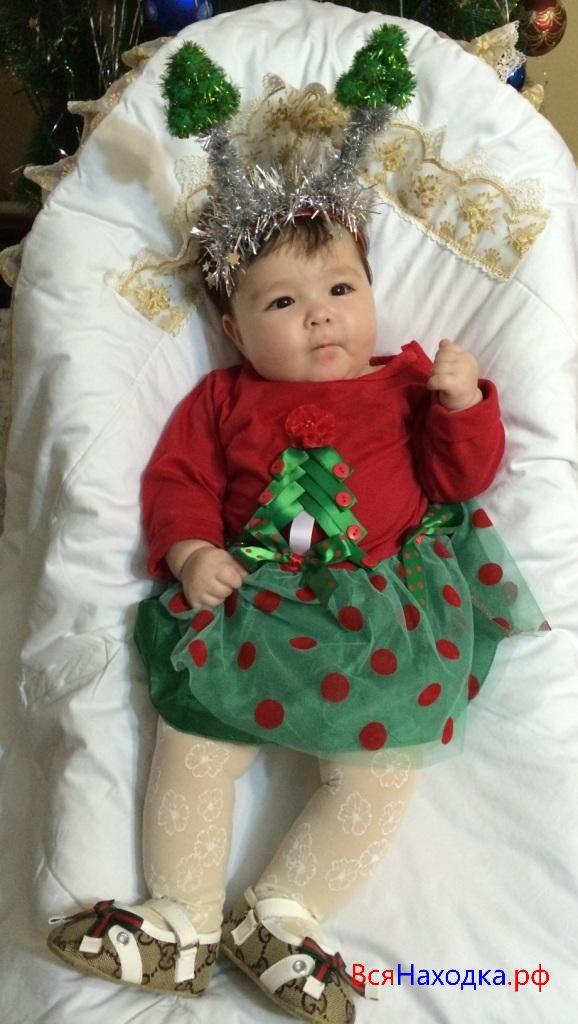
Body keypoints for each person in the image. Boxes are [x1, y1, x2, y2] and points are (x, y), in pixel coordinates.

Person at [46, 31, 544, 1024]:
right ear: (233, 329)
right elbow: (178, 481)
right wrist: (190, 548)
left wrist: (460, 402)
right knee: (194, 738)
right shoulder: (224, 400)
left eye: (340, 291)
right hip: (254, 603)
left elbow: (462, 478)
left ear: (372, 294)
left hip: (384, 616)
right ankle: (181, 918)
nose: (320, 317)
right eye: (283, 301)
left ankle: (280, 912)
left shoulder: (402, 381)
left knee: (379, 771)